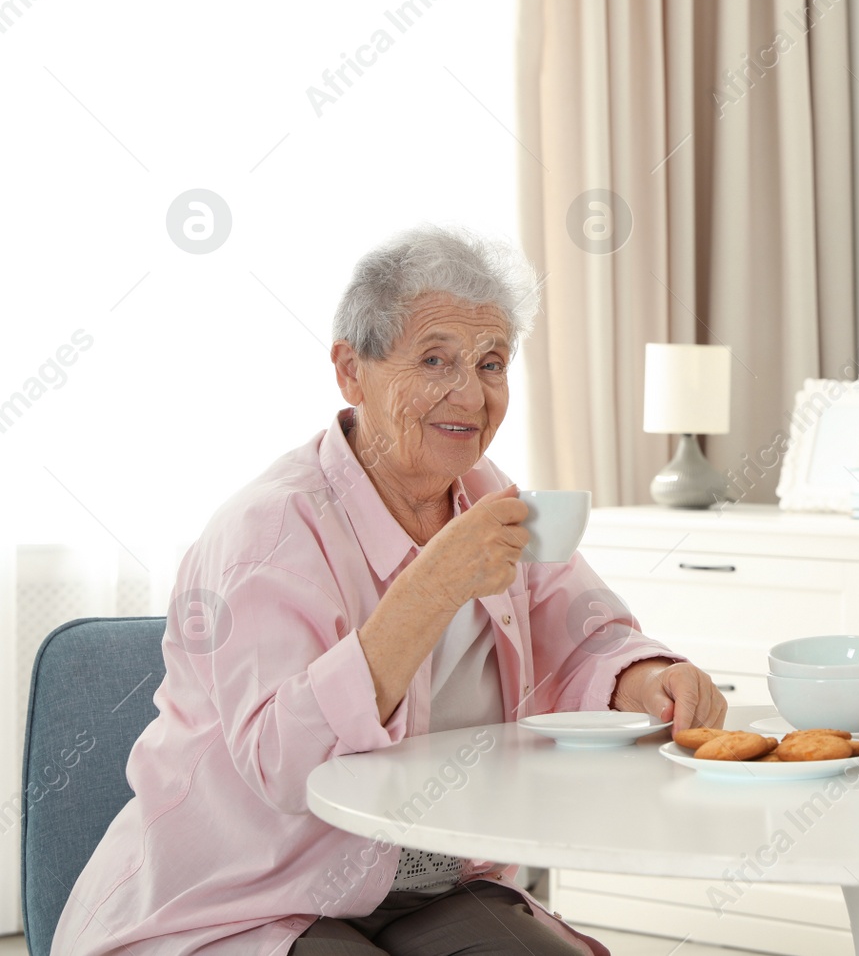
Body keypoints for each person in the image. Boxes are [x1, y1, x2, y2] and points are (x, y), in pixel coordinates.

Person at [55, 228, 727, 956]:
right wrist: (433, 585)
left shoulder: (486, 494)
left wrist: (650, 677)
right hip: (244, 897)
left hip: (428, 886)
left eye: (491, 362)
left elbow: (583, 631)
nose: (470, 393)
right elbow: (285, 764)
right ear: (352, 370)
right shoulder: (268, 531)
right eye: (434, 359)